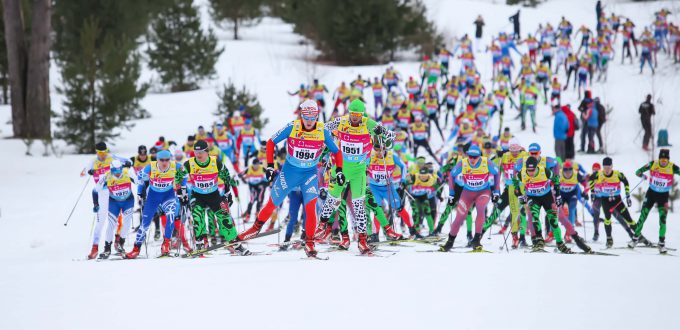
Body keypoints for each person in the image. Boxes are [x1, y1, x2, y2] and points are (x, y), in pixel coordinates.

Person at [238, 100, 344, 258]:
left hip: (309, 174)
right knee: (272, 203)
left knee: (310, 207)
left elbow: (337, 151)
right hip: (289, 173)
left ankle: (309, 242)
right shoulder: (293, 126)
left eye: (313, 117)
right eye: (306, 117)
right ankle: (254, 229)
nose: (309, 121)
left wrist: (340, 170)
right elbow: (270, 142)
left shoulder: (322, 130)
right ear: (301, 115)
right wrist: (269, 166)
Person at [316, 99, 395, 255]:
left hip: (359, 170)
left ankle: (363, 241)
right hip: (340, 168)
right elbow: (322, 128)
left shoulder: (369, 123)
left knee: (359, 206)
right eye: (352, 114)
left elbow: (391, 138)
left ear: (362, 114)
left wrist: (382, 136)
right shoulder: (341, 121)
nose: (355, 117)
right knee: (332, 199)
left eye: (358, 114)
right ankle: (322, 225)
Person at [172, 140, 249, 256]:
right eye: (196, 152)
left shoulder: (215, 162)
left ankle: (236, 244)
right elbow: (177, 177)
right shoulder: (189, 164)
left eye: (201, 152)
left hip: (214, 195)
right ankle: (199, 244)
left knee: (224, 216)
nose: (198, 155)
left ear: (207, 152)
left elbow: (226, 176)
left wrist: (228, 192)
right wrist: (180, 191)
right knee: (198, 216)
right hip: (197, 196)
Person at [515, 157, 591, 253]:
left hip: (547, 197)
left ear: (536, 167)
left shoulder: (544, 171)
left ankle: (560, 243)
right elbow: (515, 182)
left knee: (553, 221)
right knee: (534, 216)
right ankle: (539, 241)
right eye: (529, 170)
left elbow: (556, 179)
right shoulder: (522, 173)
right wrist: (519, 195)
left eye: (533, 170)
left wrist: (558, 195)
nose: (531, 172)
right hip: (533, 198)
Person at [126, 150, 191, 259]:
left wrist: (182, 188)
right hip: (153, 196)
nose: (164, 162)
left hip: (168, 195)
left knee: (171, 216)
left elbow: (185, 175)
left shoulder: (176, 166)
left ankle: (166, 244)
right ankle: (136, 248)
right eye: (162, 160)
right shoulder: (150, 167)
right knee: (145, 223)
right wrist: (140, 191)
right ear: (158, 160)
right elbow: (139, 177)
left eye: (167, 160)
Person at [439, 145, 500, 252]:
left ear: (479, 156)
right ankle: (449, 242)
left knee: (480, 209)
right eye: (470, 156)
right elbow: (452, 176)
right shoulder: (463, 163)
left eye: (475, 157)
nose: (472, 159)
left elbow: (497, 173)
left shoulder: (486, 163)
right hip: (467, 193)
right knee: (459, 217)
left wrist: (496, 191)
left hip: (483, 192)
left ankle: (476, 240)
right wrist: (452, 194)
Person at [81, 142, 132, 259]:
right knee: (101, 221)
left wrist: (127, 164)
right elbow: (82, 173)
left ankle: (117, 243)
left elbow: (128, 161)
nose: (103, 155)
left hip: (114, 191)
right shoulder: (93, 162)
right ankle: (94, 248)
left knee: (118, 219)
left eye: (105, 152)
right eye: (100, 153)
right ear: (97, 152)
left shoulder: (112, 158)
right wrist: (89, 172)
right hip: (101, 194)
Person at [629, 149, 679, 254]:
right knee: (643, 216)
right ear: (659, 158)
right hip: (651, 194)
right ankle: (635, 239)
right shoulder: (653, 164)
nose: (663, 161)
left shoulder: (672, 167)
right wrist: (642, 175)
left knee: (663, 220)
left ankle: (661, 243)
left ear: (668, 160)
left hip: (663, 196)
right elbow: (638, 171)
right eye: (662, 159)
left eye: (665, 160)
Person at [588, 157, 642, 248]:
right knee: (607, 219)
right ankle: (609, 239)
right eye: (605, 168)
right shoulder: (599, 174)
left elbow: (626, 182)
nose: (607, 170)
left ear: (612, 166)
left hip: (617, 200)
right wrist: (592, 192)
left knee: (629, 219)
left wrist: (628, 195)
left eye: (608, 167)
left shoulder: (618, 174)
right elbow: (590, 178)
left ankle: (639, 236)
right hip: (605, 200)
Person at [93, 160, 137, 259]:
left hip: (128, 201)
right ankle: (107, 248)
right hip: (114, 202)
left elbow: (139, 181)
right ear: (111, 170)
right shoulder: (106, 176)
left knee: (127, 223)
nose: (117, 173)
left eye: (119, 171)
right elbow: (96, 189)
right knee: (111, 224)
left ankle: (121, 244)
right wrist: (96, 203)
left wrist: (142, 193)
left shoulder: (127, 172)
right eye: (115, 171)